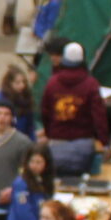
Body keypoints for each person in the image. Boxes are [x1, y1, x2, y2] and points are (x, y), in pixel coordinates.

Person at [39, 42, 106, 177]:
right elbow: (99, 116)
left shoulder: (52, 83)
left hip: (56, 142)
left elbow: (45, 112)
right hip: (83, 144)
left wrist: (48, 133)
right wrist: (105, 142)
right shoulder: (91, 84)